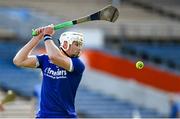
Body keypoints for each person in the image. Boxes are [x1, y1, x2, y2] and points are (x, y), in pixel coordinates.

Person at [13, 24, 85, 118]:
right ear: (65, 44)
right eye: (76, 44)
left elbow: (54, 57)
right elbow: (18, 61)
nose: (79, 48)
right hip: (43, 116)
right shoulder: (45, 60)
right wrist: (36, 39)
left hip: (64, 116)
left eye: (80, 45)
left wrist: (47, 36)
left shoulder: (77, 64)